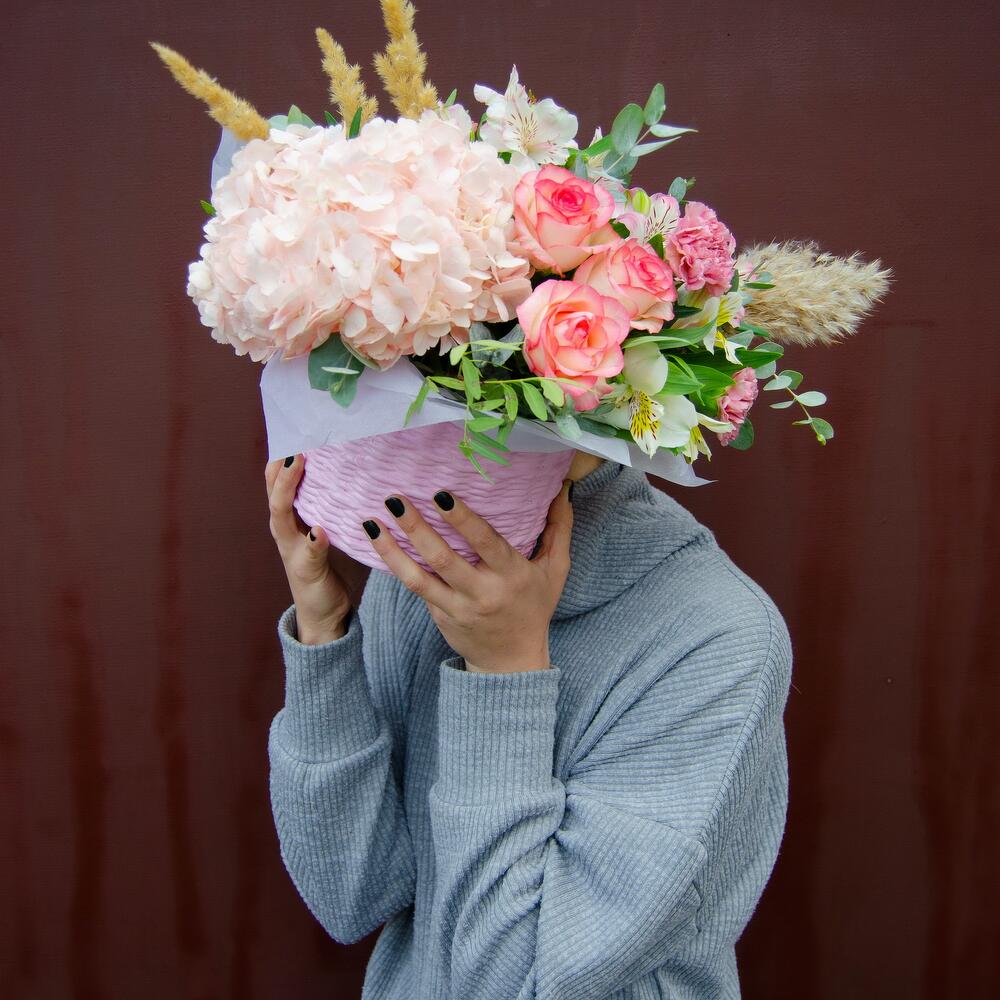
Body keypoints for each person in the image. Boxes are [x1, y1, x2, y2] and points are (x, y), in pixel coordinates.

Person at [264, 447, 792, 1000]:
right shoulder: (428, 564)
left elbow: (517, 983)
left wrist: (504, 669)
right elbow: (351, 896)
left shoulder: (719, 637)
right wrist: (323, 635)